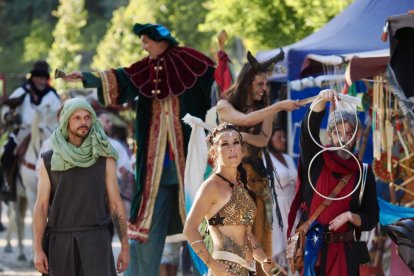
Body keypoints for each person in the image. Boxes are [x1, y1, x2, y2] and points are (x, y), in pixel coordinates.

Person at [63, 23, 229, 275]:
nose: (143, 45)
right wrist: (87, 77)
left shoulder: (191, 60)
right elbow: (120, 78)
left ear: (160, 39)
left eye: (146, 41)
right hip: (156, 168)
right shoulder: (145, 68)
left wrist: (224, 66)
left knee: (204, 222)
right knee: (146, 225)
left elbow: (219, 84)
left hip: (191, 161)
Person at [216, 50, 302, 274]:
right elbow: (243, 120)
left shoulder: (265, 109)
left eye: (266, 84)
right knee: (233, 246)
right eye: (260, 84)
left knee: (261, 246)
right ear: (246, 82)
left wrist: (238, 136)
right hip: (228, 188)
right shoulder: (224, 106)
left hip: (256, 185)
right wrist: (277, 106)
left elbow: (263, 139)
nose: (264, 89)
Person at [32, 98, 130, 275]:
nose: (83, 122)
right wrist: (37, 249)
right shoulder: (48, 160)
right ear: (66, 121)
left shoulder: (105, 159)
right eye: (76, 118)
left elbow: (116, 204)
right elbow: (41, 206)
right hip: (59, 244)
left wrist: (125, 247)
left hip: (97, 242)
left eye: (87, 117)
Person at [287, 89, 379, 275]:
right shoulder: (316, 160)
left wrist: (350, 217)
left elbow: (371, 217)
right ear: (329, 135)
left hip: (345, 253)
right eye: (338, 133)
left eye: (349, 133)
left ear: (355, 137)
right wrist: (322, 98)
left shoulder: (364, 173)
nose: (344, 139)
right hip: (313, 250)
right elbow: (308, 127)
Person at [184, 123, 286, 276]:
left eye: (236, 142)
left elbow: (248, 234)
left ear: (242, 149)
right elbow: (189, 229)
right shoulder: (211, 186)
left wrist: (266, 262)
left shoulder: (240, 186)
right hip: (225, 271)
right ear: (214, 152)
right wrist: (213, 264)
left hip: (248, 270)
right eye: (224, 144)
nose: (232, 148)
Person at [0, 60, 60, 200]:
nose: (42, 81)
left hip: (47, 133)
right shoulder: (21, 92)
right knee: (7, 152)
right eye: (39, 78)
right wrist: (9, 116)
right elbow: (5, 110)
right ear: (33, 78)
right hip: (24, 131)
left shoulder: (52, 95)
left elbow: (59, 115)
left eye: (45, 78)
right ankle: (7, 185)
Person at [267, 127, 297, 268]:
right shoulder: (266, 159)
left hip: (293, 207)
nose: (283, 140)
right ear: (270, 139)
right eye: (279, 137)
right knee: (280, 245)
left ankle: (293, 270)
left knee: (294, 244)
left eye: (284, 137)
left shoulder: (288, 158)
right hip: (278, 208)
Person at [99, 111, 134, 217]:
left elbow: (126, 167)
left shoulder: (115, 145)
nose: (110, 124)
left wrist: (124, 171)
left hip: (117, 194)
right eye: (107, 121)